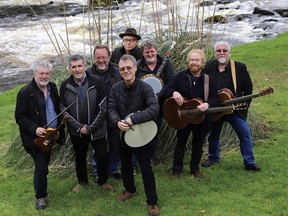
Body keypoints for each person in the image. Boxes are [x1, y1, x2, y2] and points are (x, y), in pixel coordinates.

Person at [108, 54, 160, 216]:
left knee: (146, 167)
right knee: (125, 165)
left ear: (135, 68)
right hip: (122, 134)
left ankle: (152, 202)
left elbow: (154, 109)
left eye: (129, 68)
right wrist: (117, 122)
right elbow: (110, 109)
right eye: (122, 69)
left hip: (142, 135)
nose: (126, 71)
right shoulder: (115, 88)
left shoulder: (145, 88)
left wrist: (133, 119)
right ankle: (129, 190)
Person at [202, 41, 261, 171]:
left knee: (244, 133)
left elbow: (248, 91)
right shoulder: (208, 67)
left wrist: (242, 108)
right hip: (216, 109)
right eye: (219, 51)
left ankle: (249, 162)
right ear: (215, 53)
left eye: (224, 50)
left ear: (229, 53)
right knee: (213, 135)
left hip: (234, 110)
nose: (222, 53)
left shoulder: (239, 68)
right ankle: (213, 157)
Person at [15, 60, 64, 210]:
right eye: (41, 73)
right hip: (35, 138)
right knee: (41, 166)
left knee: (44, 162)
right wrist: (34, 128)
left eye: (47, 73)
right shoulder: (25, 93)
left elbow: (56, 107)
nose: (44, 76)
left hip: (52, 135)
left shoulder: (52, 87)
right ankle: (40, 197)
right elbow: (20, 117)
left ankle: (42, 179)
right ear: (34, 74)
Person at [60, 54, 112, 192]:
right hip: (76, 131)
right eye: (74, 67)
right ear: (70, 68)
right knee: (80, 156)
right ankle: (82, 182)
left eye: (79, 66)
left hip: (97, 128)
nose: (77, 69)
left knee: (102, 155)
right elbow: (63, 110)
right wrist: (79, 127)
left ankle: (102, 181)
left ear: (85, 66)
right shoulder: (65, 85)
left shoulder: (97, 82)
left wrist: (90, 128)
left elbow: (103, 107)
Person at [165, 49, 218, 178]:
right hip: (183, 116)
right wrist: (174, 93)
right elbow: (168, 89)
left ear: (202, 63)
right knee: (180, 145)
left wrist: (207, 104)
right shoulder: (180, 76)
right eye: (192, 60)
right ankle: (176, 170)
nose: (194, 62)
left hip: (200, 118)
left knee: (198, 145)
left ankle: (195, 169)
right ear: (188, 62)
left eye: (197, 60)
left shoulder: (208, 79)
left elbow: (214, 98)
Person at [87, 44, 122, 180]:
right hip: (96, 116)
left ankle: (113, 169)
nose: (101, 60)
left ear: (109, 57)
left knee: (115, 143)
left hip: (114, 114)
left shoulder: (118, 72)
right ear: (94, 58)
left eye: (103, 57)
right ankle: (98, 171)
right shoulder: (88, 73)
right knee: (98, 145)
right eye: (98, 57)